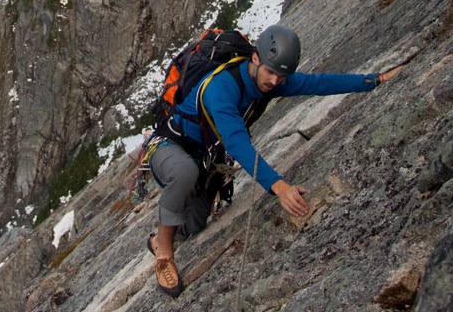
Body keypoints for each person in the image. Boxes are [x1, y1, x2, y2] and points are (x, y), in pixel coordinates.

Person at [147, 24, 403, 296]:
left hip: (203, 159)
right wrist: (278, 186)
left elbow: (318, 83)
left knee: (195, 223)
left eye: (281, 77)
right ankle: (164, 252)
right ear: (255, 58)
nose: (274, 82)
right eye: (270, 72)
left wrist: (373, 80)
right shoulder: (220, 88)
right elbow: (237, 142)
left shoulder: (269, 81)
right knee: (184, 172)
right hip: (169, 146)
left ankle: (154, 239)